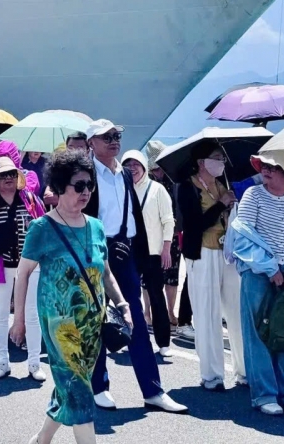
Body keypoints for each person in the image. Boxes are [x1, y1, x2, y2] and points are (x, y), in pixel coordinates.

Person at [9, 149, 131, 444]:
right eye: (79, 186)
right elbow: (23, 274)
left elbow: (105, 273)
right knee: (79, 392)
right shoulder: (42, 228)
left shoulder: (97, 227)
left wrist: (123, 305)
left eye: (90, 185)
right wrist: (20, 321)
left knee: (72, 385)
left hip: (93, 325)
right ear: (61, 187)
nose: (86, 192)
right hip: (60, 326)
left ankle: (42, 438)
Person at [84, 120, 186, 413]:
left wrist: (141, 255)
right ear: (91, 142)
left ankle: (153, 390)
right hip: (96, 251)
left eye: (116, 136)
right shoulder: (86, 173)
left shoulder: (125, 174)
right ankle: (98, 385)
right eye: (106, 137)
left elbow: (135, 217)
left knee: (136, 320)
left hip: (126, 251)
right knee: (98, 320)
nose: (114, 141)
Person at [230, 152, 284, 416]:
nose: (265, 171)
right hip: (257, 274)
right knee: (258, 334)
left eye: (272, 167)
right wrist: (269, 268)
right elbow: (241, 236)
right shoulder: (252, 196)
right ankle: (265, 395)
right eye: (263, 166)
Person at [177, 142, 245, 390]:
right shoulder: (187, 187)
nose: (221, 163)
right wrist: (221, 204)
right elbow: (194, 224)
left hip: (227, 253)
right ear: (201, 162)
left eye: (222, 159)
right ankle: (212, 374)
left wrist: (229, 204)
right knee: (207, 313)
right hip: (202, 253)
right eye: (216, 158)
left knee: (236, 310)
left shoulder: (222, 184)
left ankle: (244, 369)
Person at [0, 155, 47, 380]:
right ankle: (2, 361)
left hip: (31, 265)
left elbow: (44, 230)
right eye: (2, 175)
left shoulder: (32, 200)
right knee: (1, 315)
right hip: (0, 266)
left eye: (12, 174)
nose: (8, 179)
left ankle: (34, 363)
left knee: (33, 314)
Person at [122, 149, 175, 358]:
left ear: (144, 166)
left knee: (156, 296)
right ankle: (130, 338)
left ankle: (163, 342)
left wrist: (166, 248)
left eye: (136, 163)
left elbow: (168, 220)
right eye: (128, 164)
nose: (132, 168)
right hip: (129, 251)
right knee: (129, 297)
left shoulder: (157, 189)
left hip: (153, 252)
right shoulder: (122, 189)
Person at [146, 140, 183, 334]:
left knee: (172, 273)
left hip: (173, 232)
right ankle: (147, 313)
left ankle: (170, 312)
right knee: (149, 274)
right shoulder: (146, 181)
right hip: (150, 234)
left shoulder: (173, 178)